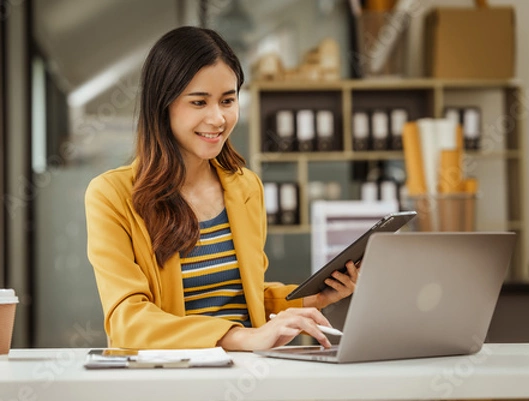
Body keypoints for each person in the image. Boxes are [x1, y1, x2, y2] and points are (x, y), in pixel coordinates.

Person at [85, 26, 359, 351]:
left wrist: (314, 297)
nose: (218, 118)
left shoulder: (245, 187)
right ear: (163, 105)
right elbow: (128, 321)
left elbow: (249, 298)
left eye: (228, 100)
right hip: (168, 381)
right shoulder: (111, 195)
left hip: (244, 374)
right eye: (199, 102)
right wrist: (239, 337)